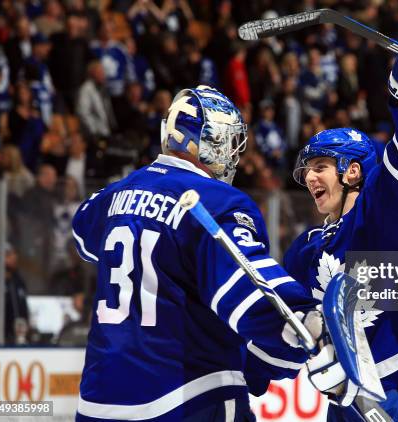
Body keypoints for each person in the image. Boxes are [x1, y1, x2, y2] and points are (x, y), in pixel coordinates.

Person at [72, 86, 324, 421]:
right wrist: (308, 322)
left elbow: (82, 234)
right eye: (231, 143)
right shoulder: (216, 199)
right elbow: (244, 285)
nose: (235, 156)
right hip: (188, 396)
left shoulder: (119, 191)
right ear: (210, 140)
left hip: (99, 400)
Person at [283, 37, 398, 421]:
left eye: (320, 167)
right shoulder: (305, 249)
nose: (310, 178)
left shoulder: (383, 209)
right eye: (307, 171)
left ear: (352, 170)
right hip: (345, 394)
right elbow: (282, 317)